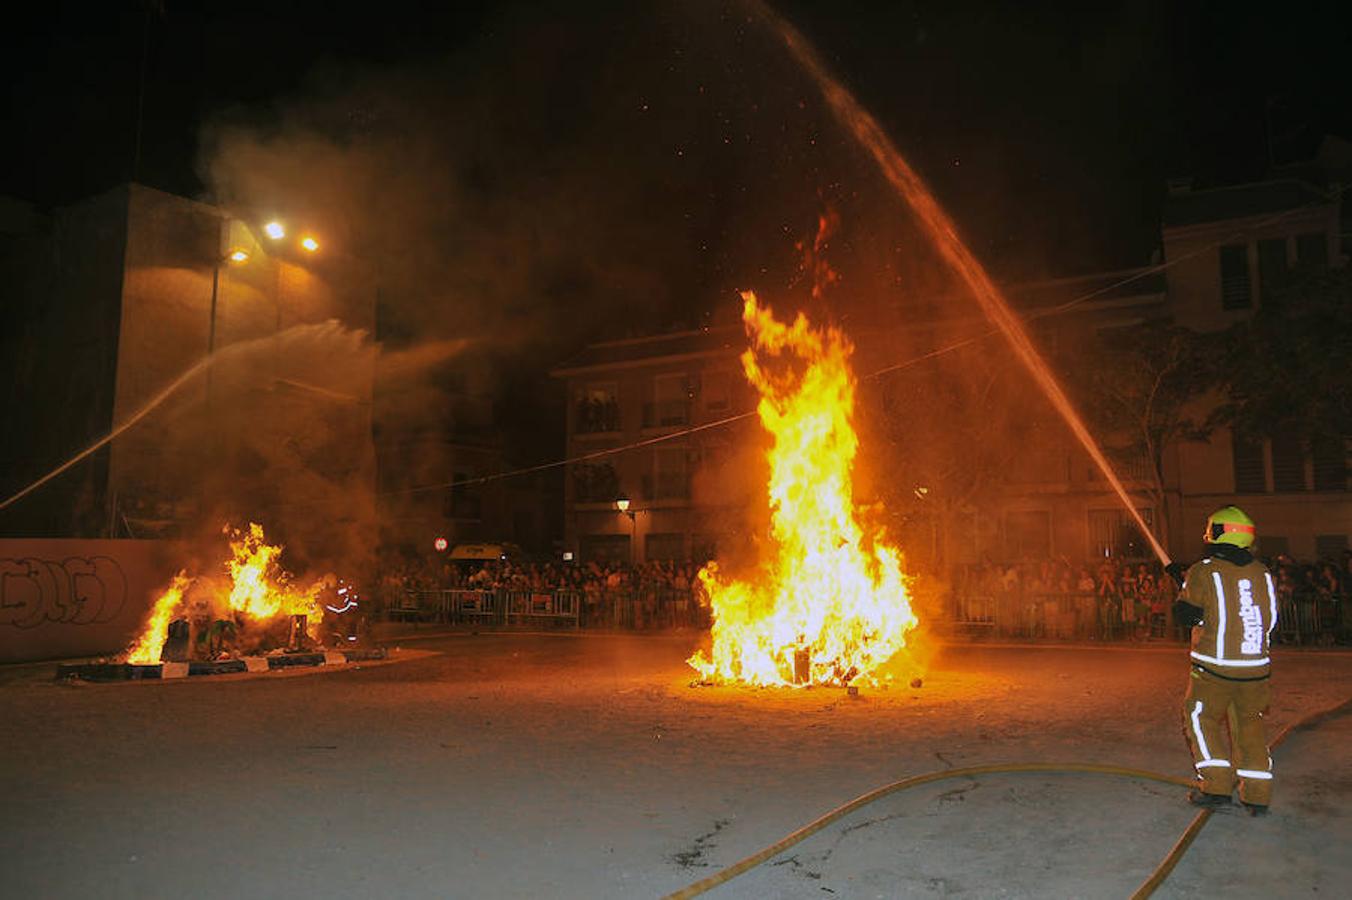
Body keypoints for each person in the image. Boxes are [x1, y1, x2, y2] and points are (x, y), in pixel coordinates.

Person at [1167, 506, 1278, 815]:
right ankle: (1257, 794)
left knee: (1201, 719)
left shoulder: (1204, 571)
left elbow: (1187, 615)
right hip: (1255, 670)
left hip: (1214, 670)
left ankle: (1215, 785)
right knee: (1250, 728)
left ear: (1217, 533)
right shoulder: (1262, 572)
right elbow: (1268, 621)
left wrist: (1185, 587)